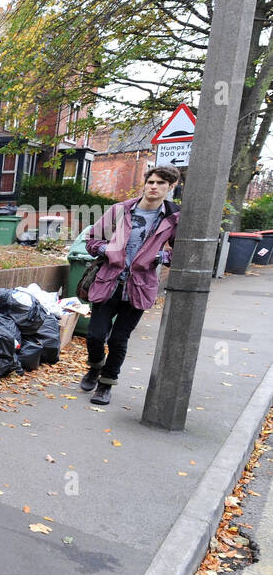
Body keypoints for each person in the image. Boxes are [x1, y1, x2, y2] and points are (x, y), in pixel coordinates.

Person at [80, 165, 181, 405]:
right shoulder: (120, 210)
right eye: (151, 182)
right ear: (145, 184)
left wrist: (163, 258)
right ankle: (95, 367)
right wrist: (108, 250)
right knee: (95, 336)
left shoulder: (174, 218)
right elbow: (92, 240)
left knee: (118, 340)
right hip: (108, 282)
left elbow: (184, 252)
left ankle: (106, 384)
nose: (154, 187)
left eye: (161, 184)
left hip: (140, 286)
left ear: (170, 188)